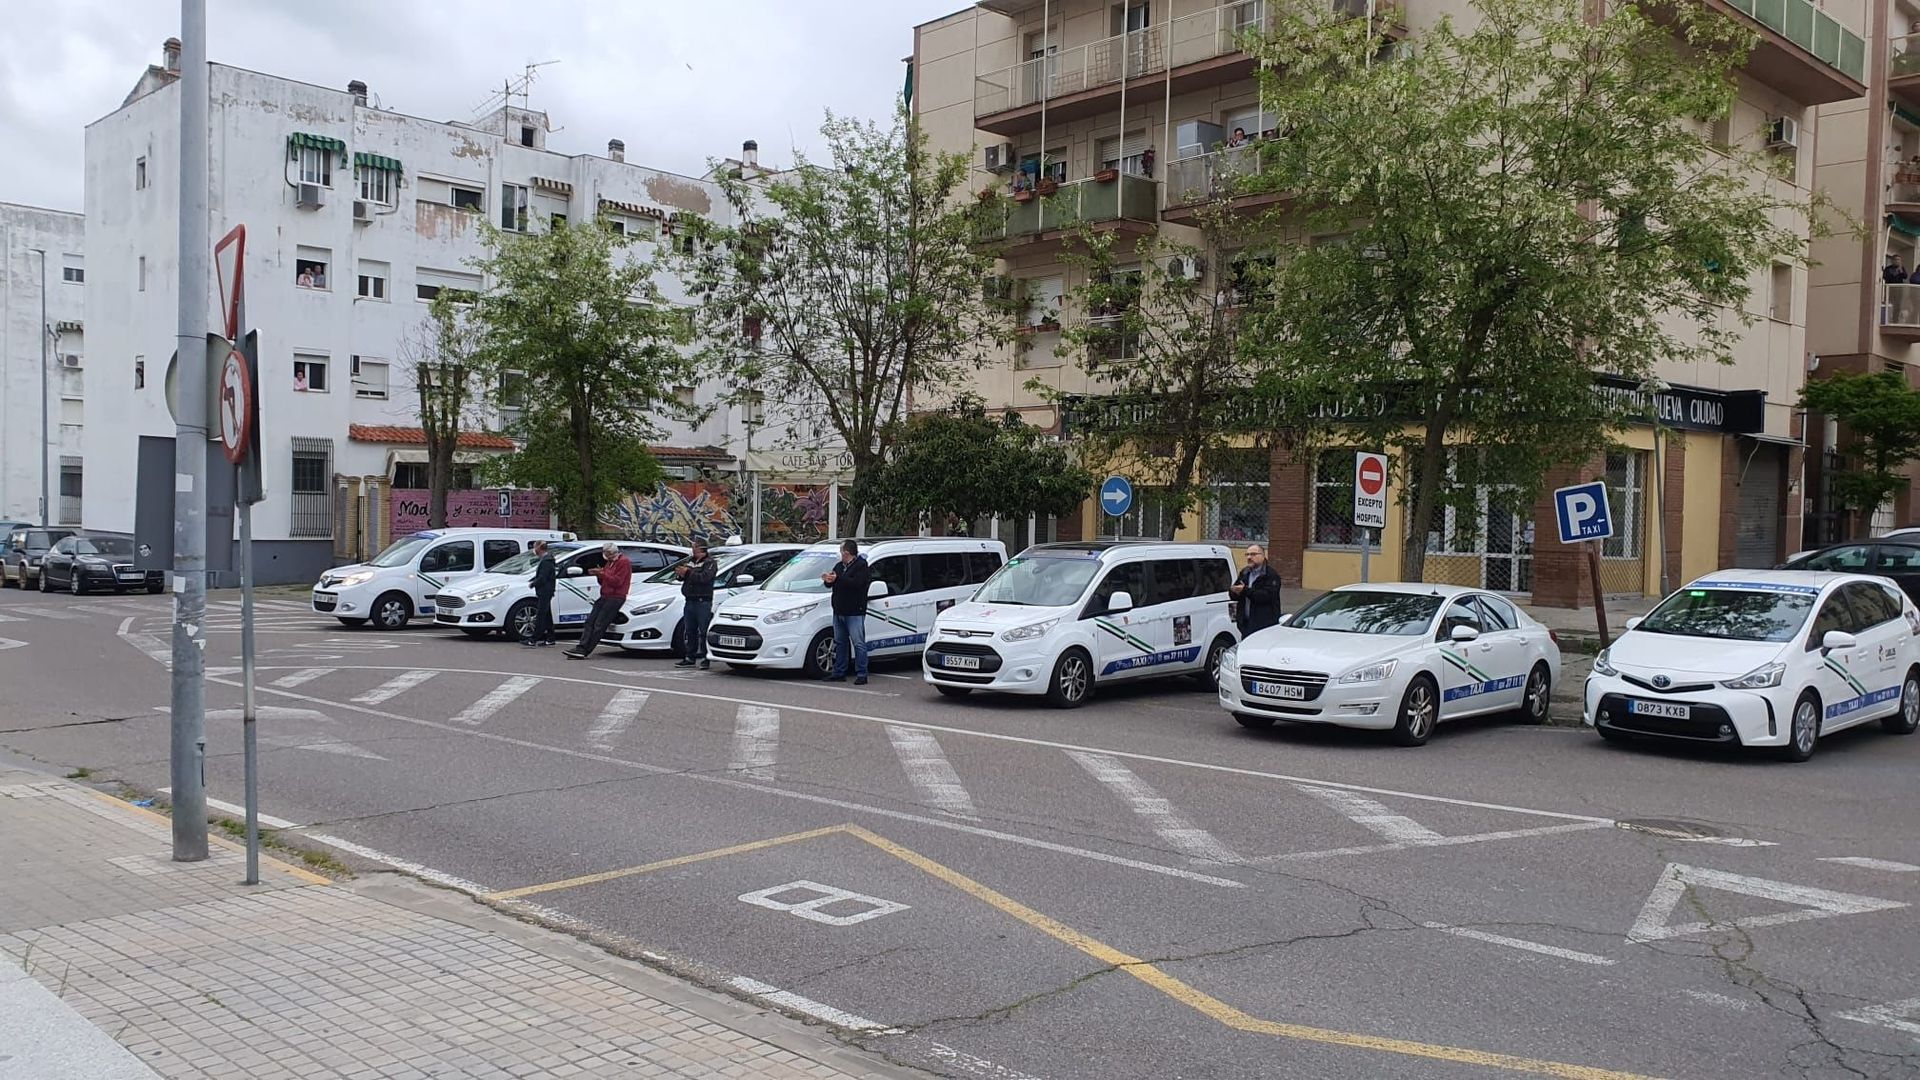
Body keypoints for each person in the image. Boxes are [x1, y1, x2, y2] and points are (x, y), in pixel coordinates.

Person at [565, 543, 631, 659]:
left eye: (606, 554)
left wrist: (602, 574)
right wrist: (599, 575)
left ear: (611, 553)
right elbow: (604, 581)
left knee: (600, 624)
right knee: (590, 622)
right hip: (605, 595)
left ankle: (585, 650)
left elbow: (618, 582)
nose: (605, 556)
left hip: (615, 597)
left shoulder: (623, 562)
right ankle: (581, 647)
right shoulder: (610, 563)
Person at [822, 538, 872, 685]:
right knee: (840, 642)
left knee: (858, 643)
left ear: (846, 553)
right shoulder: (839, 566)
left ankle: (862, 673)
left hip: (855, 612)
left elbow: (856, 584)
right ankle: (839, 672)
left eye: (841, 552)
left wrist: (838, 578)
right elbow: (834, 582)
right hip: (839, 611)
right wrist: (828, 580)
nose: (840, 555)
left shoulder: (861, 567)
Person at [675, 540, 718, 669]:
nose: (692, 550)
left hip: (702, 601)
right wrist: (680, 574)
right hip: (689, 600)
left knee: (703, 631)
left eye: (694, 547)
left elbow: (705, 578)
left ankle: (705, 657)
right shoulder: (690, 561)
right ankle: (690, 657)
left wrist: (688, 573)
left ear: (700, 549)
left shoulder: (710, 563)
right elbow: (684, 576)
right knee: (690, 630)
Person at [1229, 543, 1283, 635]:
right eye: (1247, 554)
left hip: (1264, 626)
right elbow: (1236, 593)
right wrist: (1234, 592)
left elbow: (1265, 596)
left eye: (1253, 554)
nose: (1249, 557)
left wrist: (1245, 590)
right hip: (1245, 624)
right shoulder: (1245, 572)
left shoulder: (1270, 575)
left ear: (1262, 556)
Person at [524, 540, 556, 647]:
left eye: (535, 547)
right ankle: (550, 637)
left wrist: (533, 584)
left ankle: (534, 638)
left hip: (545, 591)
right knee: (547, 615)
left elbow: (543, 577)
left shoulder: (546, 561)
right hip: (545, 591)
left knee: (541, 615)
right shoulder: (546, 560)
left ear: (539, 548)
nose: (534, 550)